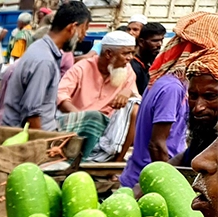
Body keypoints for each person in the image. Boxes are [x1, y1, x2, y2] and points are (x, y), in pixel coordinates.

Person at [121, 15, 218, 188]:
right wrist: (162, 185)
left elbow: (190, 153)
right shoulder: (172, 88)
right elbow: (157, 145)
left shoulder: (166, 83)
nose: (198, 107)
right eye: (193, 96)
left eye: (210, 96)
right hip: (147, 181)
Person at [0, 2, 90, 132]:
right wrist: (41, 144)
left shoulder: (40, 48)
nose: (83, 36)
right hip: (29, 137)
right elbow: (32, 113)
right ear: (73, 27)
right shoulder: (44, 60)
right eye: (84, 29)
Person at [57, 29, 139, 160]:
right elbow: (61, 94)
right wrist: (81, 116)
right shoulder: (82, 67)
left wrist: (128, 92)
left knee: (135, 108)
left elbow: (137, 97)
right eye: (126, 53)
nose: (130, 58)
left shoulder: (127, 70)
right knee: (94, 116)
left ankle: (115, 164)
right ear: (108, 54)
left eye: (132, 53)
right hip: (80, 124)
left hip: (109, 128)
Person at [131, 22, 167, 95]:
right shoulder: (133, 66)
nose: (159, 44)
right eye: (155, 41)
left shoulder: (151, 62)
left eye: (161, 40)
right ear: (141, 42)